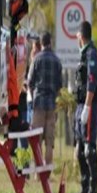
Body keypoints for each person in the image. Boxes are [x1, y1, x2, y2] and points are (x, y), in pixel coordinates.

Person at [72, 21, 97, 193]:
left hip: (89, 106)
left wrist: (88, 107)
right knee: (80, 150)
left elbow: (92, 83)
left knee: (89, 149)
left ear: (81, 36)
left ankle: (93, 190)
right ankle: (84, 189)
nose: (76, 38)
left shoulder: (91, 54)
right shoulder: (82, 55)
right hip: (80, 105)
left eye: (77, 35)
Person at [29, 31, 63, 167]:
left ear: (41, 44)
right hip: (52, 104)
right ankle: (47, 172)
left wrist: (34, 96)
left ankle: (38, 173)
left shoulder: (36, 59)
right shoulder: (57, 60)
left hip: (39, 104)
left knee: (37, 140)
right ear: (50, 43)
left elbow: (30, 82)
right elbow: (60, 85)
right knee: (49, 141)